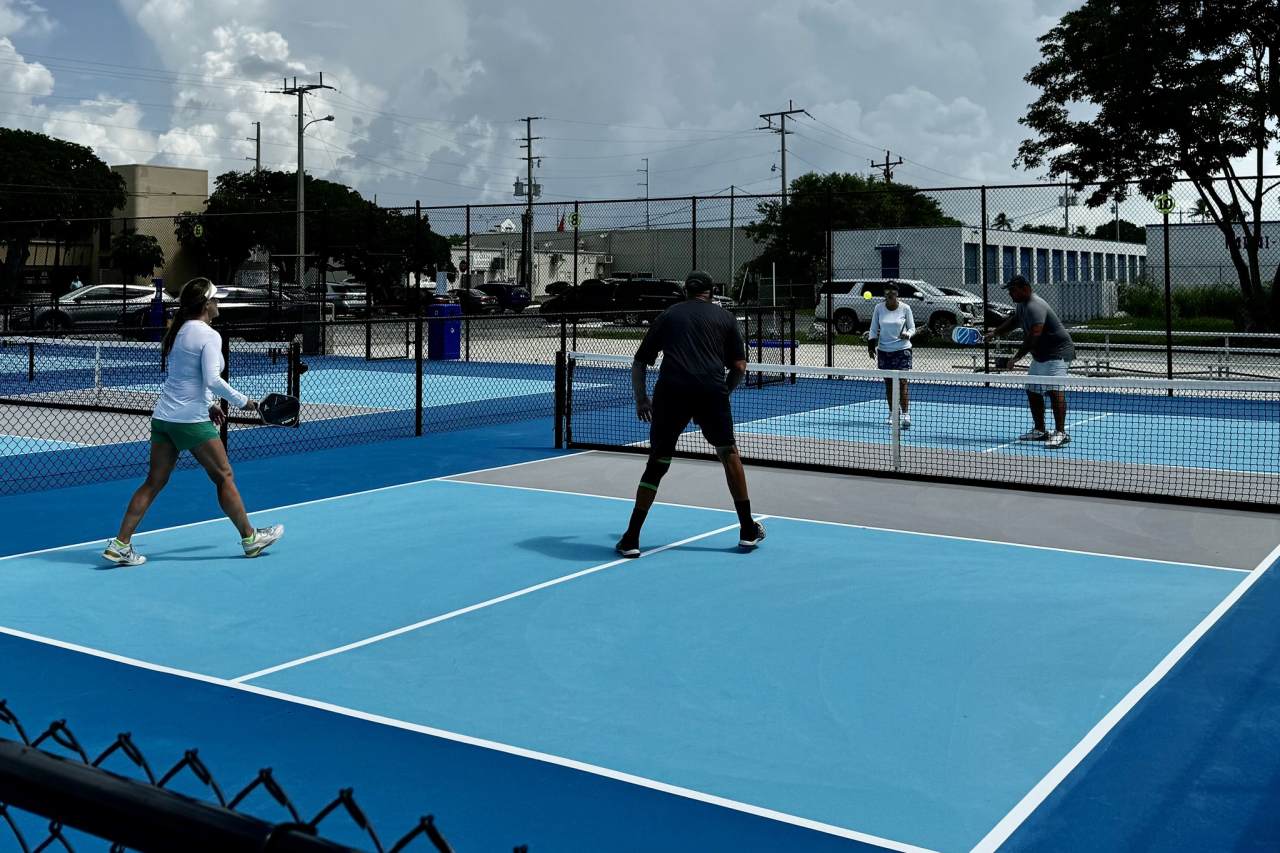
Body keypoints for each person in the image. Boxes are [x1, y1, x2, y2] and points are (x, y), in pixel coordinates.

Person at [103, 278, 284, 566]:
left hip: (164, 418)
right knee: (223, 477)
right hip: (190, 421)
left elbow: (185, 379)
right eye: (216, 299)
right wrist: (246, 403)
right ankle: (250, 539)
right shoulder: (209, 335)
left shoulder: (180, 331)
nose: (219, 303)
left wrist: (209, 404)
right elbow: (212, 379)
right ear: (206, 304)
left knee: (153, 482)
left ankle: (120, 544)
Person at [616, 270, 765, 557]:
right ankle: (747, 529)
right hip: (711, 392)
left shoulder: (669, 315)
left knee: (657, 462)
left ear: (686, 291)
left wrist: (641, 399)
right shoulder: (725, 318)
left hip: (671, 393)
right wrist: (722, 393)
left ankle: (632, 538)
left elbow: (639, 361)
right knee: (729, 453)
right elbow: (739, 367)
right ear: (710, 292)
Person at [986, 274, 1076, 449]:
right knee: (1033, 390)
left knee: (1054, 391)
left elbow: (1033, 336)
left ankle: (1061, 433)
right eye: (1009, 291)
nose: (1010, 294)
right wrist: (994, 333)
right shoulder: (1021, 305)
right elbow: (1014, 321)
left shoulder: (1035, 306)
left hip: (1058, 353)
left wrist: (1016, 357)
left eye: (1013, 290)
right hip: (1041, 355)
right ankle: (1040, 430)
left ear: (1025, 288)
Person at [866, 282, 915, 428]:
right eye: (887, 291)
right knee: (888, 384)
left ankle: (906, 414)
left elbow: (912, 328)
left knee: (902, 382)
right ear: (884, 294)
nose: (890, 293)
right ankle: (893, 413)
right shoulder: (878, 308)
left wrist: (907, 334)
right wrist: (870, 346)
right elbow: (873, 328)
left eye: (893, 291)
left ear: (897, 293)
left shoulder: (906, 308)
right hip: (884, 350)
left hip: (902, 349)